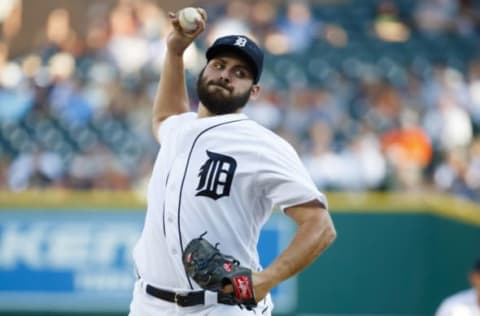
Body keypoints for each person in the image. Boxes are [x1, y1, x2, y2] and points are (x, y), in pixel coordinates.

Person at [128, 7, 336, 316]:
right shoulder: (179, 129)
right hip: (150, 304)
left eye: (240, 73)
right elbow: (164, 116)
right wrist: (175, 52)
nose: (225, 74)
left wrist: (266, 279)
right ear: (203, 71)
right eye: (219, 64)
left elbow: (320, 225)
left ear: (254, 91)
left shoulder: (262, 144)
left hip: (221, 308)